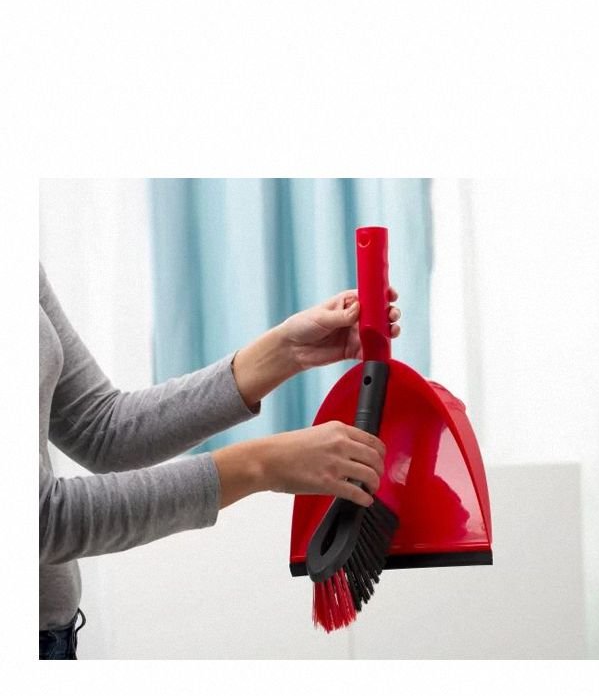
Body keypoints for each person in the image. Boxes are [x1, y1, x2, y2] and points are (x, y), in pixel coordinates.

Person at [39, 263, 401, 659]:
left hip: (56, 636)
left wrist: (286, 352)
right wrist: (260, 464)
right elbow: (41, 521)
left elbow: (100, 427)